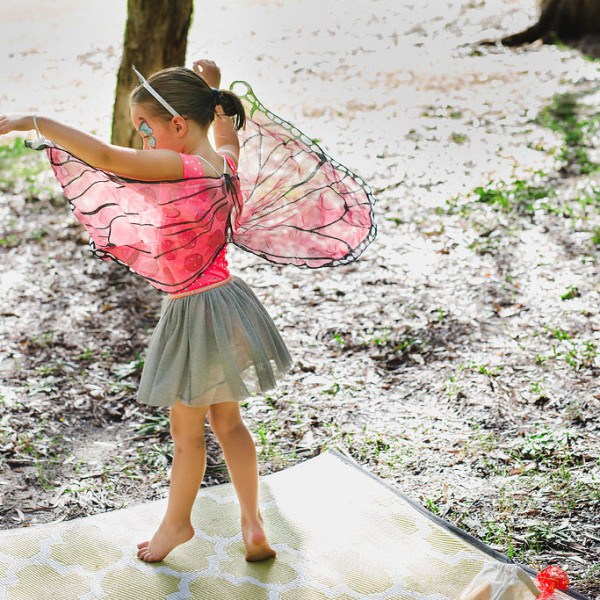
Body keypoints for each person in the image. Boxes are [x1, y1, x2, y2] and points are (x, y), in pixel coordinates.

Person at [0, 59, 376, 564]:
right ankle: (252, 522)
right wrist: (211, 90)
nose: (145, 142)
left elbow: (108, 156)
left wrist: (35, 120)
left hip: (196, 313)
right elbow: (221, 132)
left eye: (148, 130)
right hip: (229, 303)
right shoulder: (222, 162)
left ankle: (177, 524)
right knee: (229, 423)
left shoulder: (180, 167)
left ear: (177, 125)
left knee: (186, 433)